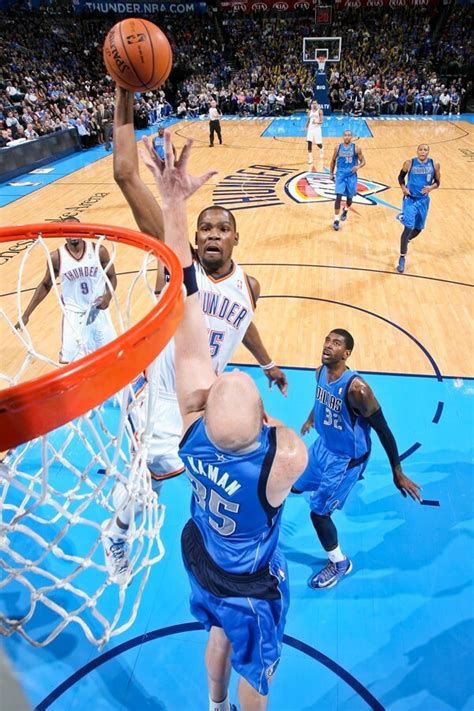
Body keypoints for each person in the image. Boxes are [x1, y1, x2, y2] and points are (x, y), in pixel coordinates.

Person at [141, 130, 308, 711]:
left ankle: (212, 706)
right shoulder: (280, 465)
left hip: (202, 560)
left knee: (215, 635)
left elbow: (189, 328)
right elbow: (297, 448)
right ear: (265, 431)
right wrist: (275, 421)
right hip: (250, 586)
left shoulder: (192, 440)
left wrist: (173, 204)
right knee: (256, 674)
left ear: (202, 416)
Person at [105, 87, 287, 582]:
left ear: (234, 237)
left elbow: (242, 325)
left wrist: (268, 363)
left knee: (215, 476)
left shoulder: (249, 285)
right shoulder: (179, 266)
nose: (208, 234)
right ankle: (118, 532)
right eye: (202, 227)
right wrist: (124, 91)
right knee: (154, 482)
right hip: (164, 394)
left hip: (205, 398)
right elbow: (125, 175)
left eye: (219, 229)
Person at [293, 329, 422, 590]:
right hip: (323, 447)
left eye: (336, 343)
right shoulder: (320, 372)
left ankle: (339, 562)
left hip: (344, 460)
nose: (328, 345)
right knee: (294, 484)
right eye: (327, 340)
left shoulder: (357, 390)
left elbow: (384, 430)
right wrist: (311, 419)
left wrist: (396, 471)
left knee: (318, 513)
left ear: (346, 353)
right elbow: (320, 399)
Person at [15, 217, 117, 364]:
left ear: (82, 229)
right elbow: (45, 285)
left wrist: (108, 297)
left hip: (98, 313)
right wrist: (26, 314)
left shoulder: (99, 250)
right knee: (69, 364)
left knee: (112, 358)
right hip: (73, 316)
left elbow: (112, 277)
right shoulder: (56, 257)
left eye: (76, 228)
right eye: (69, 230)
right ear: (63, 233)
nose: (73, 233)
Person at [396, 144, 440, 274]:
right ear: (417, 151)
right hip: (410, 200)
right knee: (408, 227)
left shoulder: (435, 164)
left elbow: (438, 182)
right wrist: (403, 188)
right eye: (420, 149)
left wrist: (431, 188)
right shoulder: (409, 163)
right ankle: (402, 258)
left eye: (425, 149)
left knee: (419, 229)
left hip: (423, 201)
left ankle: (407, 240)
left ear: (428, 152)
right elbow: (400, 177)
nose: (422, 152)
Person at [329, 130, 366, 231]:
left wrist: (358, 166)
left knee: (349, 198)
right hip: (340, 175)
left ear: (351, 137)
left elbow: (363, 161)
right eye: (345, 135)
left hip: (351, 176)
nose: (347, 137)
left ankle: (345, 210)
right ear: (342, 137)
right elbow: (332, 161)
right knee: (338, 196)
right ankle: (336, 220)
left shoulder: (356, 148)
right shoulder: (338, 148)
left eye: (349, 135)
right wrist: (331, 173)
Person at [305, 99, 323, 165]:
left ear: (317, 104)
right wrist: (306, 127)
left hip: (317, 129)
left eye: (315, 103)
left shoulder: (320, 111)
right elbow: (308, 120)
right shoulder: (309, 112)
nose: (314, 104)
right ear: (311, 104)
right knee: (309, 142)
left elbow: (321, 121)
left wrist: (316, 122)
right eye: (313, 103)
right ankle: (310, 158)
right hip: (310, 129)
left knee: (318, 143)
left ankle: (321, 149)